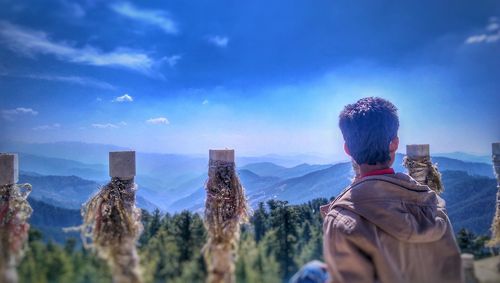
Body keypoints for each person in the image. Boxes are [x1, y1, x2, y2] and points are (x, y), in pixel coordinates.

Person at [320, 97, 463, 283]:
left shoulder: (341, 220)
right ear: (395, 143)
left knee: (311, 273)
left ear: (347, 149)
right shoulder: (432, 203)